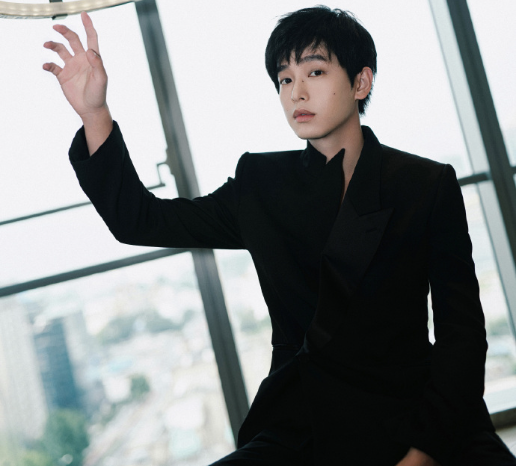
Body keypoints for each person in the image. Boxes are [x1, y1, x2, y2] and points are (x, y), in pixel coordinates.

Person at [43, 6, 515, 466]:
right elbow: (141, 220)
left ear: (361, 82)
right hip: (304, 422)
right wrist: (95, 113)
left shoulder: (424, 184)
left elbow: (461, 333)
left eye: (315, 72)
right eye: (285, 80)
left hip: (414, 410)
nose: (297, 93)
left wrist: (424, 451)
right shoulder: (261, 183)